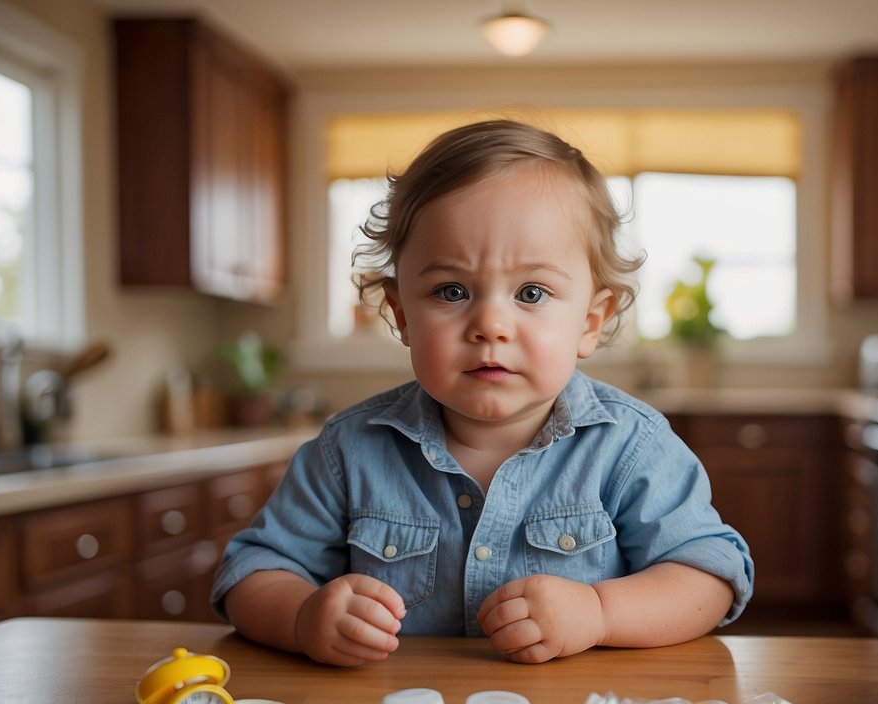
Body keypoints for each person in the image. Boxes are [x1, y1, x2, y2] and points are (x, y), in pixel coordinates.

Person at [211, 119, 753, 666]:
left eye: (531, 292)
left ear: (591, 321)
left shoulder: (633, 447)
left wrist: (599, 611)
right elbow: (250, 574)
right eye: (452, 291)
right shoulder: (346, 451)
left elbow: (709, 575)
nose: (490, 324)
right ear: (402, 315)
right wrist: (304, 617)